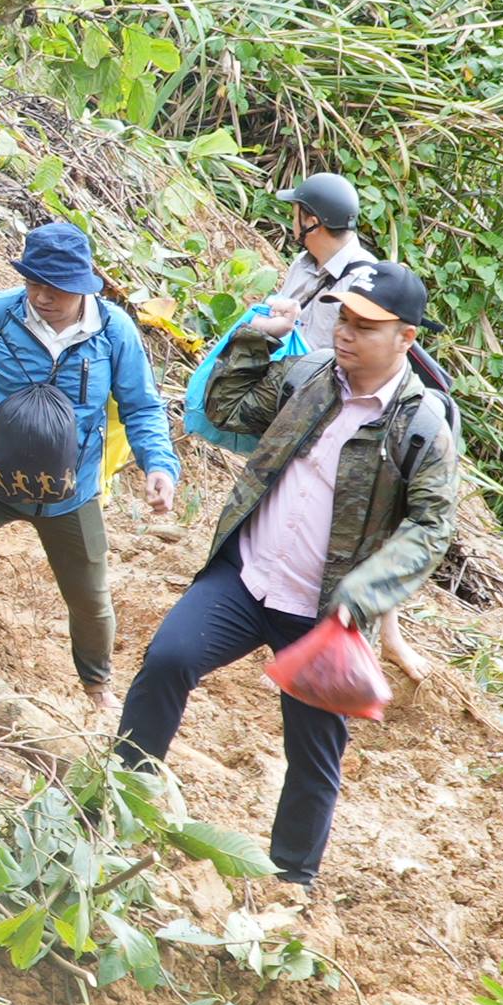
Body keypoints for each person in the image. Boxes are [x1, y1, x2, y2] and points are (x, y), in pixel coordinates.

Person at [112, 261, 459, 891]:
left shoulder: (421, 427)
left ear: (405, 338)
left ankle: (292, 880)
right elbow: (226, 406)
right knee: (167, 660)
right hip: (247, 578)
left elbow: (432, 527)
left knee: (313, 751)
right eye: (344, 320)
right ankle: (116, 803)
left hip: (326, 611)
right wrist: (258, 335)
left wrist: (368, 593)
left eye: (364, 326)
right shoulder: (309, 377)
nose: (346, 334)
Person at [0, 223, 176, 712]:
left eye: (56, 287)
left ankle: (97, 690)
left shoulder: (113, 332)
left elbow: (142, 407)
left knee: (90, 603)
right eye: (34, 282)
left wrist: (159, 466)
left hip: (70, 494)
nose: (42, 296)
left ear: (83, 284)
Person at [264, 172, 376, 354]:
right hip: (277, 378)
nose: (293, 223)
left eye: (294, 217)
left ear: (312, 223)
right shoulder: (301, 263)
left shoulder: (366, 281)